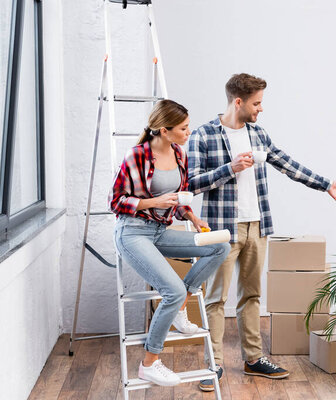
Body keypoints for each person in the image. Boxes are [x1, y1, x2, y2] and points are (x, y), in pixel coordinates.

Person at [188, 73, 336, 391]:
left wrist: (326, 184)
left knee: (251, 296)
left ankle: (253, 360)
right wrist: (229, 168)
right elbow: (191, 182)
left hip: (257, 226)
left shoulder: (258, 134)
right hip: (222, 230)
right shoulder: (204, 135)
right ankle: (214, 365)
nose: (261, 109)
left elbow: (287, 164)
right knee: (216, 299)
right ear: (239, 102)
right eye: (256, 103)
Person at [110, 99, 230, 387]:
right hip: (132, 232)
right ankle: (149, 363)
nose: (188, 132)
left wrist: (192, 216)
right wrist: (154, 202)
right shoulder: (136, 155)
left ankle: (179, 306)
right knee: (171, 289)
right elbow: (116, 202)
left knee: (219, 246)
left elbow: (178, 200)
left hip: (161, 231)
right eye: (183, 128)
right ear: (164, 130)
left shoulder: (179, 155)